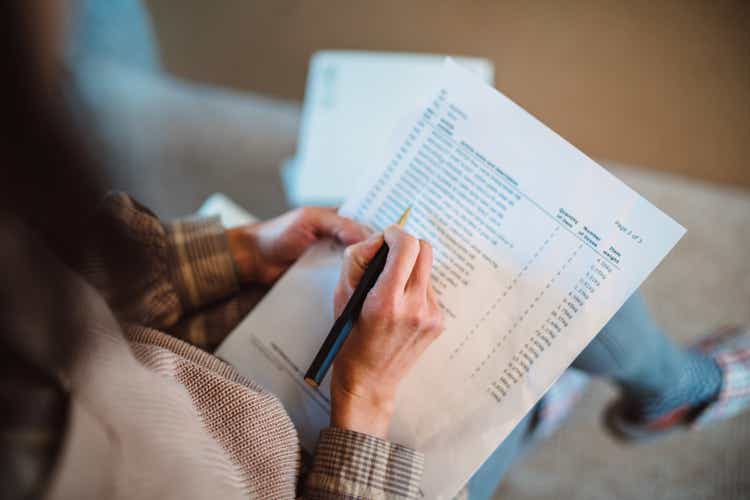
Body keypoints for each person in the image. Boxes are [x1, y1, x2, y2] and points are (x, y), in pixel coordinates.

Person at [2, 2, 749, 500]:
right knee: (558, 314)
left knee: (559, 271)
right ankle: (658, 393)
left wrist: (240, 249)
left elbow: (71, 273)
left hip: (209, 346)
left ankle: (633, 393)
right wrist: (368, 402)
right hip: (327, 466)